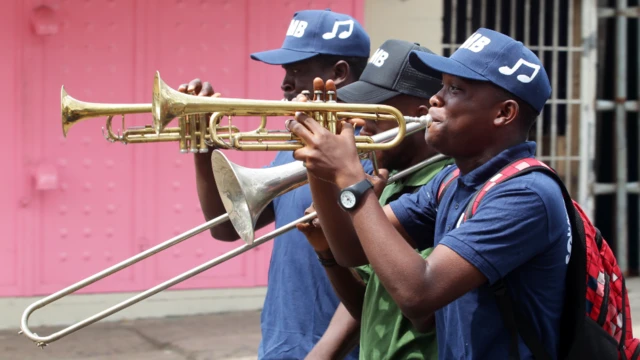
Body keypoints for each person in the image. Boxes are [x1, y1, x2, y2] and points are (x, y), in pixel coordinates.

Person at [287, 28, 568, 359]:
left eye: (455, 89)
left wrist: (349, 176)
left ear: (503, 113)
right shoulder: (452, 180)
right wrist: (318, 162)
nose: (436, 98)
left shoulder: (526, 194)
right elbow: (351, 249)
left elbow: (419, 293)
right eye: (441, 86)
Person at [178, 9, 370, 360]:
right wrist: (204, 141)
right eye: (285, 71)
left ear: (339, 74)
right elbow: (226, 228)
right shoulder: (292, 147)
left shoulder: (371, 151)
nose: (284, 83)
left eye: (296, 70)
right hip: (280, 345)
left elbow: (376, 285)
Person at [296, 39, 452, 360]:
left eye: (372, 111)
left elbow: (420, 310)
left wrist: (350, 184)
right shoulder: (391, 181)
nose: (358, 123)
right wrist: (326, 250)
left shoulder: (444, 186)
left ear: (418, 117)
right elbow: (365, 302)